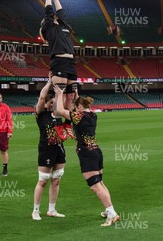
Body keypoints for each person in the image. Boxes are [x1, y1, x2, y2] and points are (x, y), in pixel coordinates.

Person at [53, 85, 120, 227]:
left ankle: (112, 213)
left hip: (86, 153)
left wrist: (59, 94)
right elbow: (78, 105)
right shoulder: (93, 115)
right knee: (100, 183)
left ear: (79, 108)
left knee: (95, 186)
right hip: (96, 151)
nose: (74, 110)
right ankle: (109, 211)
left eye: (76, 107)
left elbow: (59, 110)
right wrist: (76, 96)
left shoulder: (78, 116)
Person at [32, 82, 66, 220]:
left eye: (54, 103)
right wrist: (49, 83)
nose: (53, 105)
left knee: (56, 179)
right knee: (43, 181)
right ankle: (35, 210)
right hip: (46, 149)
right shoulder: (40, 114)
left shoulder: (58, 114)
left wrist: (59, 95)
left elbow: (64, 103)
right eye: (51, 102)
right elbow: (41, 98)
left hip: (59, 148)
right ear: (46, 103)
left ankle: (52, 210)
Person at [40, 0, 78, 109]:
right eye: (53, 17)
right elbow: (48, 11)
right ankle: (57, 123)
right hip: (59, 62)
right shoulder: (49, 27)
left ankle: (68, 125)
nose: (55, 17)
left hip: (70, 63)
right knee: (60, 95)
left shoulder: (63, 25)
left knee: (71, 96)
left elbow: (61, 12)